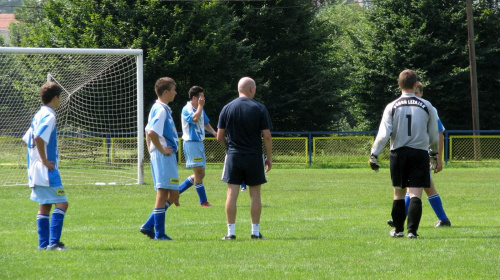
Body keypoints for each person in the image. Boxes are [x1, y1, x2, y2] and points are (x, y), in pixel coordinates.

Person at [370, 69, 439, 239]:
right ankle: (412, 232)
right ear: (416, 85)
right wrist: (434, 153)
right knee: (416, 193)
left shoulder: (392, 106)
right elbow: (433, 133)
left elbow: (384, 134)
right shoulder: (427, 106)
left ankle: (399, 230)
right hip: (419, 154)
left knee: (399, 193)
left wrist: (374, 154)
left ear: (399, 85)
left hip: (398, 154)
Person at [387, 82, 451, 228]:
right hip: (415, 154)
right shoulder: (403, 107)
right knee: (423, 187)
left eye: (417, 93)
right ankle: (443, 219)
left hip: (424, 154)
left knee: (415, 187)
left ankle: (401, 219)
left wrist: (438, 157)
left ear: (421, 93)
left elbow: (439, 133)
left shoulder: (428, 108)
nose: (413, 97)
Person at [217, 77, 273, 240]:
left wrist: (229, 147)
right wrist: (269, 158)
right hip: (254, 156)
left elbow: (219, 136)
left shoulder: (227, 108)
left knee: (231, 194)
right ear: (251, 89)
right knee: (255, 194)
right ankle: (255, 232)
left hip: (234, 155)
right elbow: (267, 136)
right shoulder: (260, 108)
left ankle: (231, 232)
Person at [22, 82, 68, 250]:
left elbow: (27, 138)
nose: (60, 101)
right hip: (46, 170)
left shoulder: (38, 114)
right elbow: (38, 138)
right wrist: (44, 159)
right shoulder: (50, 115)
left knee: (45, 204)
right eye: (60, 98)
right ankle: (54, 243)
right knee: (62, 203)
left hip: (34, 169)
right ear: (55, 98)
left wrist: (35, 158)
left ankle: (43, 245)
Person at [140, 77, 180, 241]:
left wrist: (151, 149)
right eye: (173, 89)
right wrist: (160, 149)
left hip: (164, 155)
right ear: (165, 92)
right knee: (163, 193)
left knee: (174, 195)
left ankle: (149, 225)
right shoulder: (161, 109)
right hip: (164, 155)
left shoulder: (160, 109)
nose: (175, 92)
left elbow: (147, 129)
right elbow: (151, 132)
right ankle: (159, 233)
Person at [177, 86, 217, 207]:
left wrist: (214, 133)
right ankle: (203, 202)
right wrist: (200, 107)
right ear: (195, 97)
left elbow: (204, 122)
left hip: (199, 142)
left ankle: (176, 192)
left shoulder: (200, 109)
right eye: (201, 96)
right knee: (198, 173)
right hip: (191, 142)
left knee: (201, 174)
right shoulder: (186, 109)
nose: (203, 98)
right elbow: (194, 119)